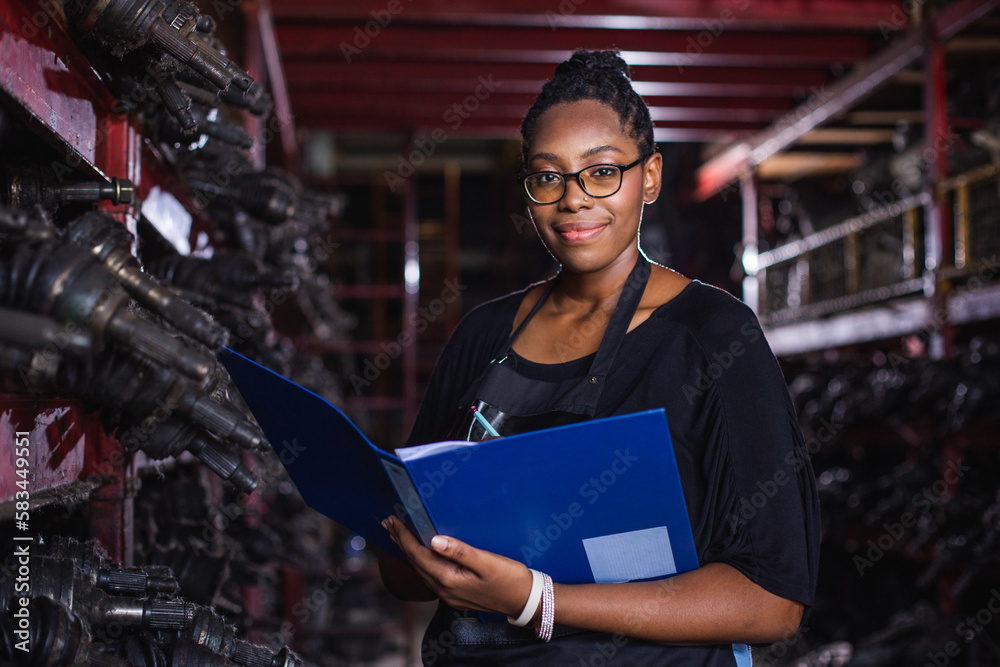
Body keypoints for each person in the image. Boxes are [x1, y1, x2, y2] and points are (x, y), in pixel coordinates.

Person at [378, 49, 820, 666]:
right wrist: (408, 544)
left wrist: (538, 599)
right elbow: (401, 572)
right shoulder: (481, 335)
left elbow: (774, 601)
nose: (574, 200)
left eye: (603, 171)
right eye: (548, 176)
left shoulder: (713, 337)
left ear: (652, 176)